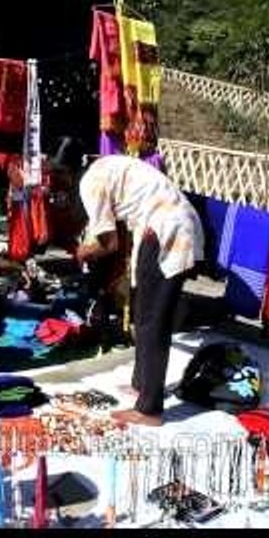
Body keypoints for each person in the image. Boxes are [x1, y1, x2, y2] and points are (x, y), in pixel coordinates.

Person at [60, 151, 205, 426]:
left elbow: (109, 243)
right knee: (143, 312)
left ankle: (149, 409)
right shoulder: (105, 167)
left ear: (70, 177)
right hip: (170, 224)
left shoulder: (90, 183)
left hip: (165, 230)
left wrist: (81, 253)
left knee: (152, 321)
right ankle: (142, 385)